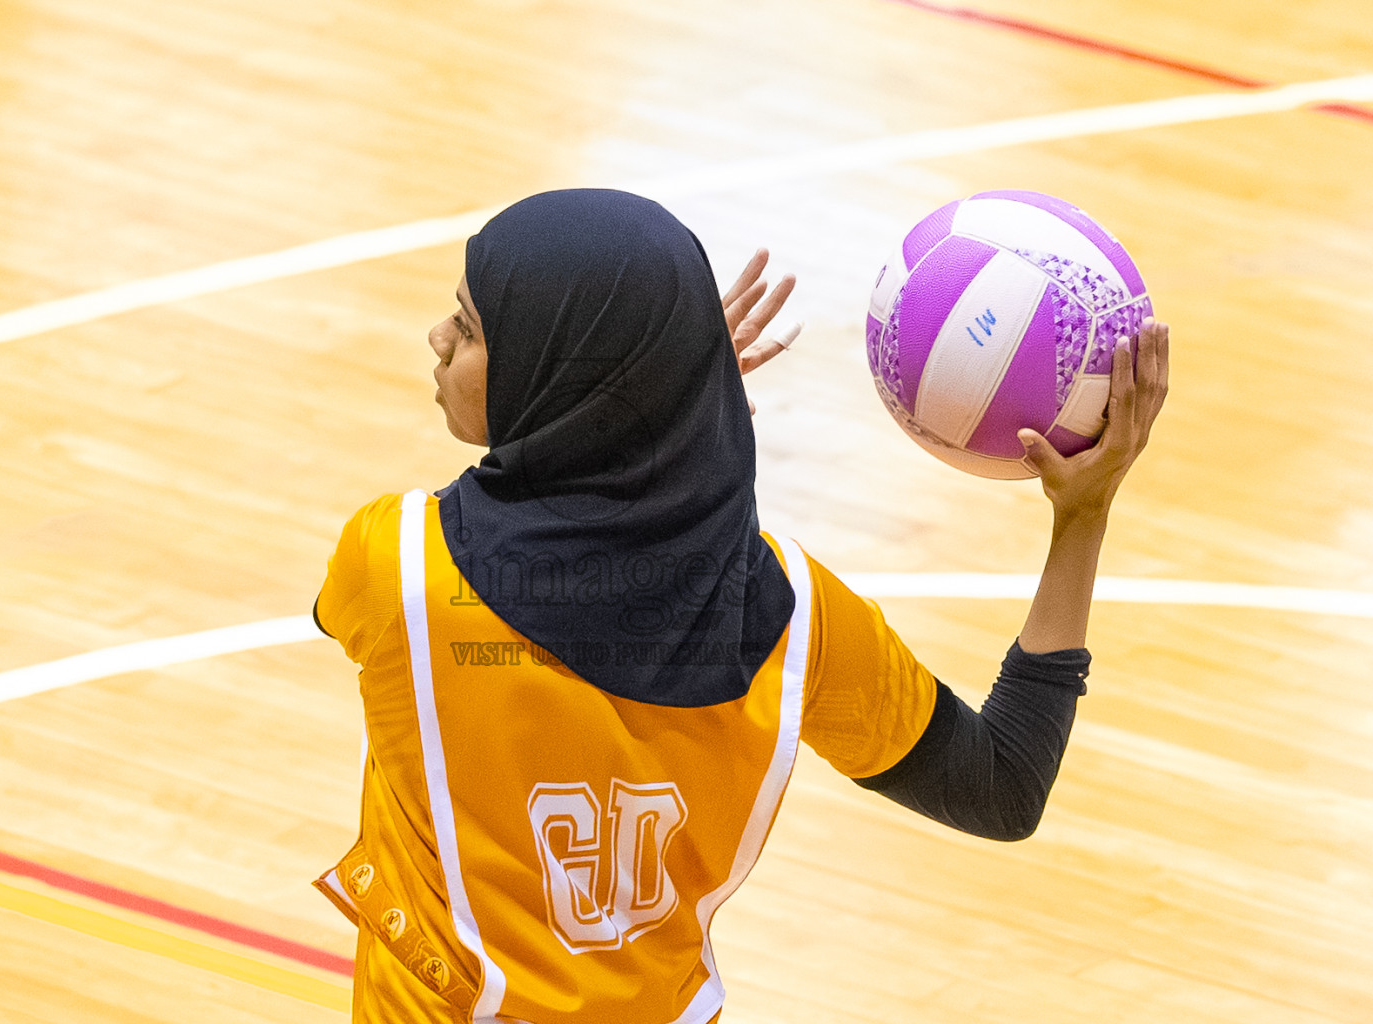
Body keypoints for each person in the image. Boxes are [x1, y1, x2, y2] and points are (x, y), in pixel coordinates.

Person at [311, 189, 1168, 1024]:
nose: (437, 337)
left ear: (545, 373)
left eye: (467, 328)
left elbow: (505, 533)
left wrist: (623, 404)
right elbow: (1001, 787)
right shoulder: (797, 619)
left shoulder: (399, 570)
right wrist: (1082, 518)